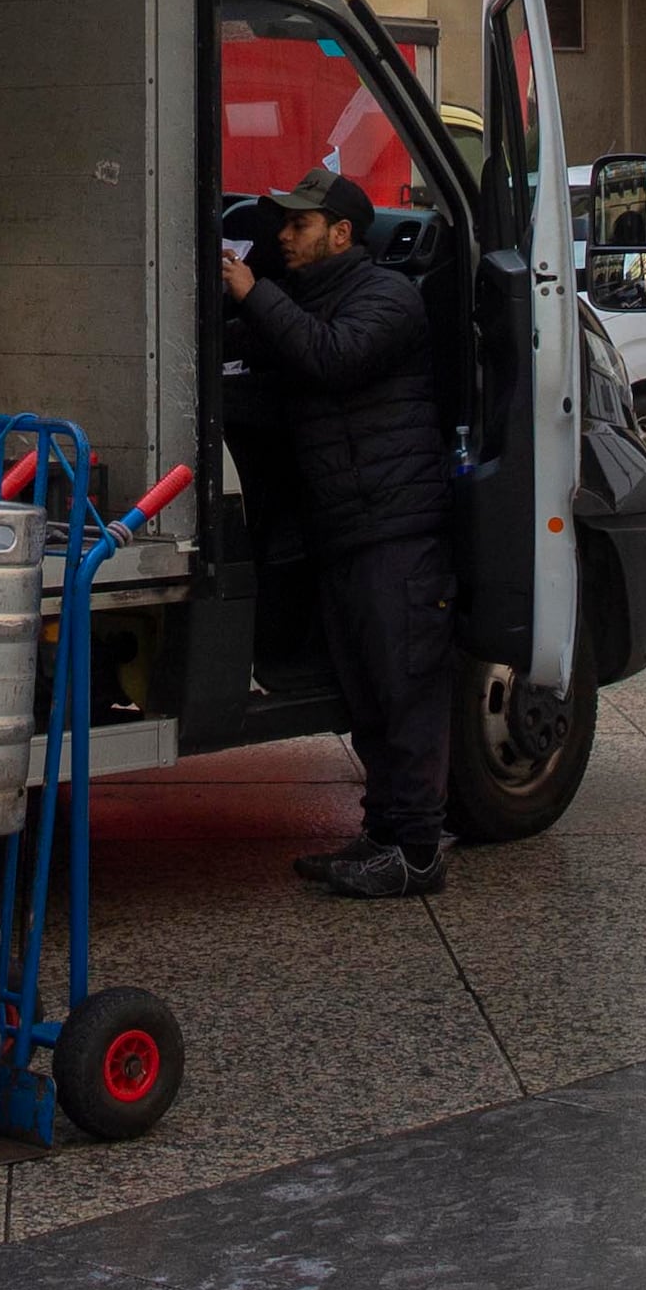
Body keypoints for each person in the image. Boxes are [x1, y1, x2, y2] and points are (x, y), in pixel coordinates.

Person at [220, 166, 456, 897]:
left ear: (342, 233)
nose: (284, 237)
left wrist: (253, 294)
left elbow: (331, 357)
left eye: (298, 225)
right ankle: (382, 835)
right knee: (367, 698)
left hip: (396, 527)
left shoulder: (388, 297)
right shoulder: (307, 298)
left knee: (403, 691)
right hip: (345, 528)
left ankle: (417, 850)